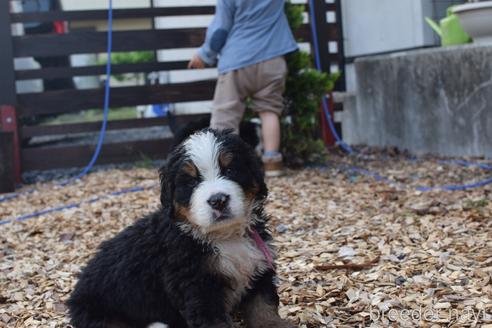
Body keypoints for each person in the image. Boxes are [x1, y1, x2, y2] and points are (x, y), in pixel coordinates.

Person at [188, 0, 298, 177]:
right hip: (273, 58)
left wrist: (204, 55)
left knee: (225, 115)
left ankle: (222, 167)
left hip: (237, 60)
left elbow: (220, 29)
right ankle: (272, 163)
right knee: (270, 110)